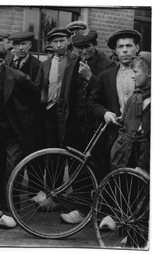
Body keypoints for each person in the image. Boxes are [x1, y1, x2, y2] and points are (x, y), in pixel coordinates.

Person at [64, 29, 141, 225]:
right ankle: (113, 215)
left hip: (143, 136)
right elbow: (92, 103)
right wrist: (105, 113)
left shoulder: (146, 73)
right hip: (114, 135)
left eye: (129, 46)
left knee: (137, 178)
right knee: (110, 173)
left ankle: (136, 221)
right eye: (121, 47)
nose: (125, 51)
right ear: (115, 50)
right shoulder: (108, 75)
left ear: (137, 48)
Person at [0, 43, 40, 229]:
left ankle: (11, 211)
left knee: (12, 170)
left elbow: (35, 98)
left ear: (1, 62)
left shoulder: (18, 78)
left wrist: (25, 120)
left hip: (15, 133)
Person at [55, 30, 116, 223]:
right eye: (79, 48)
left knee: (100, 168)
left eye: (87, 47)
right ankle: (81, 210)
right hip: (74, 126)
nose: (84, 52)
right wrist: (61, 122)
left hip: (98, 128)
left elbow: (110, 97)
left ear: (95, 45)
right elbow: (63, 99)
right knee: (76, 168)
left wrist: (91, 77)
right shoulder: (71, 65)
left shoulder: (108, 65)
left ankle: (105, 213)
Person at [32, 28, 75, 200]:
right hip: (49, 113)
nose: (59, 45)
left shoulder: (75, 60)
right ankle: (52, 192)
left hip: (68, 114)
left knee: (68, 153)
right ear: (50, 44)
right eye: (55, 42)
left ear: (68, 41)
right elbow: (38, 87)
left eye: (62, 41)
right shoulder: (45, 64)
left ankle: (67, 192)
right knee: (51, 152)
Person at [110, 51, 150, 172]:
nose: (132, 76)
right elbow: (123, 126)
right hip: (126, 154)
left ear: (149, 73)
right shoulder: (134, 98)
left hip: (145, 156)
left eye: (136, 72)